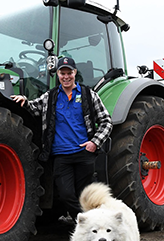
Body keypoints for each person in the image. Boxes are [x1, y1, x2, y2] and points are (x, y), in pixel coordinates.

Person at [11, 56, 112, 220]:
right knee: (65, 194)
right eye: (62, 73)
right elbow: (34, 108)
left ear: (75, 73)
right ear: (57, 74)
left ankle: (90, 227)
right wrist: (24, 100)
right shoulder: (50, 96)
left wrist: (94, 142)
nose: (66, 77)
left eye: (69, 73)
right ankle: (87, 223)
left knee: (84, 195)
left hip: (83, 154)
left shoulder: (88, 94)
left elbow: (106, 121)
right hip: (61, 155)